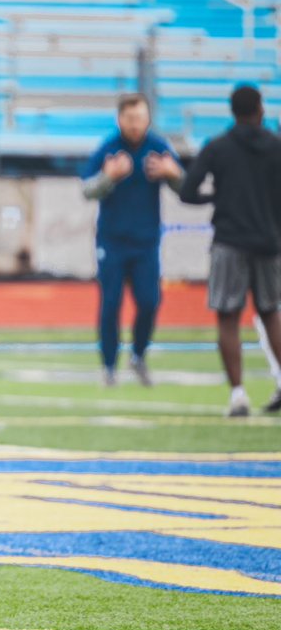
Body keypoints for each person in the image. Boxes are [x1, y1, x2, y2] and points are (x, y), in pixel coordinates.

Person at [180, 85, 281, 417]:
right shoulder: (276, 146)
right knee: (270, 313)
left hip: (229, 242)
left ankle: (238, 394)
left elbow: (187, 190)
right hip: (268, 242)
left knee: (228, 318)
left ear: (232, 111)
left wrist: (216, 199)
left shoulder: (218, 147)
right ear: (260, 110)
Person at [81, 93, 185, 387]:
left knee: (150, 301)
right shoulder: (109, 149)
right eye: (129, 118)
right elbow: (86, 190)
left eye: (140, 118)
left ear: (148, 119)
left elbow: (184, 186)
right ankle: (109, 365)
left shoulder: (158, 148)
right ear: (120, 119)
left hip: (146, 241)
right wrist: (108, 177)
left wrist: (172, 173)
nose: (135, 124)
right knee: (110, 303)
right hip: (112, 241)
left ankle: (138, 355)